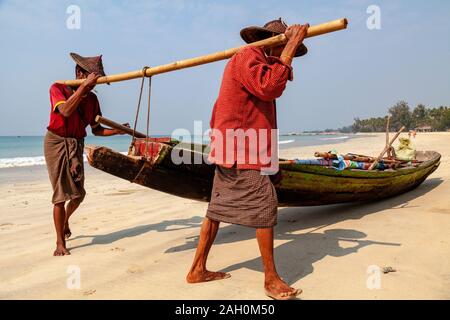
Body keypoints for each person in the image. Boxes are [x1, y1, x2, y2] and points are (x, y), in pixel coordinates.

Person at [186, 19, 309, 300]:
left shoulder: (253, 63)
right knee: (265, 206)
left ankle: (197, 270)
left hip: (236, 150)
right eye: (284, 47)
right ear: (274, 44)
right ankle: (271, 279)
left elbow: (248, 111)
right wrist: (290, 46)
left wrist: (271, 162)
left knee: (216, 211)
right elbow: (270, 87)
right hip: (241, 152)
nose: (285, 58)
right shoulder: (248, 57)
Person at [44, 53, 128, 256]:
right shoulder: (58, 88)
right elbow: (64, 111)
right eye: (91, 78)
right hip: (56, 142)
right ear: (79, 73)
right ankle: (59, 243)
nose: (94, 83)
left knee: (79, 195)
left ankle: (64, 221)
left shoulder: (92, 99)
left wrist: (117, 131)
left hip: (76, 144)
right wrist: (82, 88)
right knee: (60, 196)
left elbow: (96, 130)